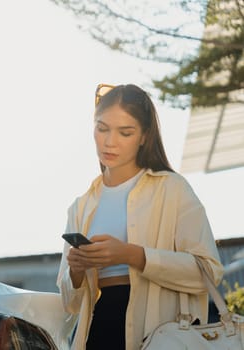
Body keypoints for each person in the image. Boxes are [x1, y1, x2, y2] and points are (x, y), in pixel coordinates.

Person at [56, 84, 224, 350]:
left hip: (161, 335)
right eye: (102, 128)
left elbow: (208, 273)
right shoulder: (81, 206)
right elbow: (70, 304)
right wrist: (76, 270)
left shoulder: (172, 189)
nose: (110, 141)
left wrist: (131, 255)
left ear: (144, 136)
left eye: (125, 132)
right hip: (98, 332)